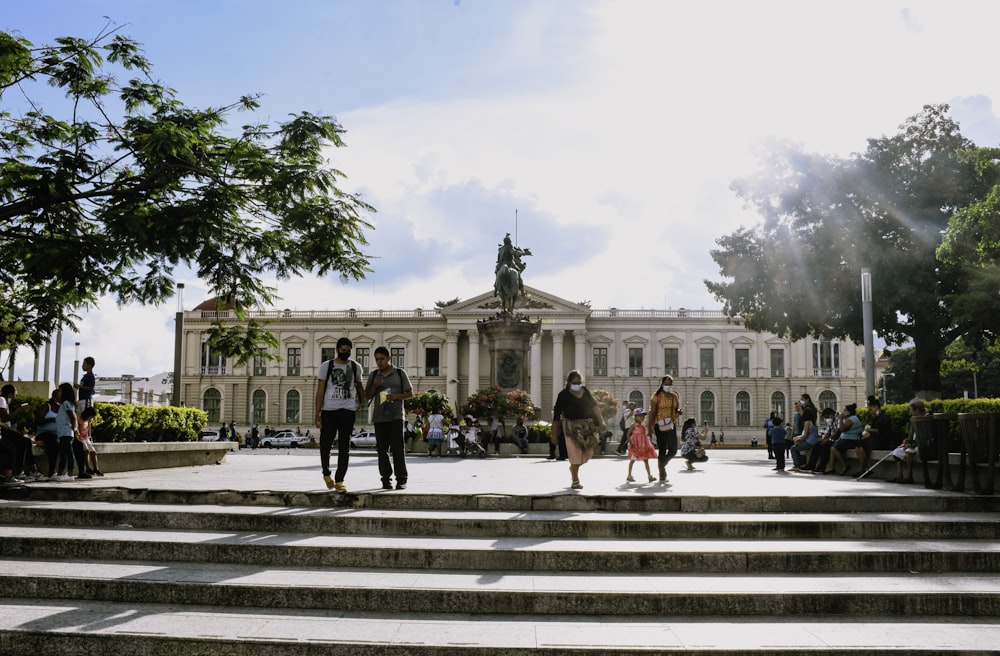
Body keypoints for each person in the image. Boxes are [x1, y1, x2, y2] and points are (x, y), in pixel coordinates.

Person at [314, 337, 366, 493]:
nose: (346, 353)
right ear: (337, 350)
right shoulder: (327, 366)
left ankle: (340, 480)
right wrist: (317, 414)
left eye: (349, 351)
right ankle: (326, 473)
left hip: (348, 411)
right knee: (325, 445)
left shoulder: (356, 367)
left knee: (345, 447)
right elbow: (320, 390)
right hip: (329, 411)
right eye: (343, 350)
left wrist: (362, 400)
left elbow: (359, 385)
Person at [365, 346, 415, 490]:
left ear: (389, 358)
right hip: (379, 417)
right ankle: (385, 478)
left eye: (382, 359)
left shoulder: (399, 373)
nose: (379, 362)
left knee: (398, 448)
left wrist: (395, 397)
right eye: (377, 359)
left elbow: (410, 393)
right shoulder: (374, 375)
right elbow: (367, 396)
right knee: (382, 450)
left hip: (396, 416)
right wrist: (375, 386)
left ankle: (401, 479)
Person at [551, 370, 606, 490]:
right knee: (574, 454)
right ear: (569, 383)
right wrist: (553, 434)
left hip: (587, 427)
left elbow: (594, 406)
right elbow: (556, 415)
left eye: (579, 382)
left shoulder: (585, 391)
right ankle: (575, 480)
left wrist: (601, 421)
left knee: (588, 453)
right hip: (570, 428)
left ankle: (573, 468)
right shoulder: (563, 395)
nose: (577, 384)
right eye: (575, 382)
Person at [0, 383, 40, 482]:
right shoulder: (2, 400)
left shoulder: (4, 402)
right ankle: (22, 471)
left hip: (7, 429)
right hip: (4, 430)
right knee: (23, 442)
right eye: (15, 394)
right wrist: (19, 410)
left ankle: (20, 471)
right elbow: (5, 418)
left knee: (23, 442)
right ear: (10, 394)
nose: (15, 397)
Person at [646, 375, 681, 482]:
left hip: (671, 424)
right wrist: (649, 428)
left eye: (670, 383)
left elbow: (675, 409)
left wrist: (678, 413)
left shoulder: (674, 396)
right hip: (659, 424)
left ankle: (662, 465)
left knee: (673, 449)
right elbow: (652, 413)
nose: (668, 385)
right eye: (666, 383)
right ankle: (662, 474)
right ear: (662, 384)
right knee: (662, 449)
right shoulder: (656, 396)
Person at [888, 398, 925, 484]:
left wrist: (911, 445)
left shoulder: (926, 419)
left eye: (912, 410)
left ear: (917, 410)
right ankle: (899, 476)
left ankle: (909, 476)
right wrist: (907, 442)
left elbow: (923, 437)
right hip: (913, 445)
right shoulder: (914, 419)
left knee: (908, 451)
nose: (911, 412)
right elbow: (911, 436)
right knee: (896, 452)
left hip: (922, 445)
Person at [52, 382, 78, 482]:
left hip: (66, 432)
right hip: (63, 433)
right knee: (63, 454)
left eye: (60, 390)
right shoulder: (64, 404)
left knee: (68, 453)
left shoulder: (67, 403)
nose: (58, 392)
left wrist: (75, 430)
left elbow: (73, 417)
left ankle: (70, 474)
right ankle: (60, 473)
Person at [830, 403, 864, 476]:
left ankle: (845, 465)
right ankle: (832, 466)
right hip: (845, 439)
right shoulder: (849, 418)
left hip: (852, 440)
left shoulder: (852, 419)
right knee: (833, 448)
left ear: (849, 412)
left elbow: (842, 429)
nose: (843, 412)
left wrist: (840, 419)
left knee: (834, 449)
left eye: (845, 410)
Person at [789, 394, 819, 473]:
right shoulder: (812, 422)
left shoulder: (807, 422)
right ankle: (800, 464)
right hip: (813, 440)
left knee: (793, 448)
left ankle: (796, 466)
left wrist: (797, 438)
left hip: (810, 441)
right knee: (798, 446)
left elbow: (804, 435)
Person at [625, 408, 657, 483]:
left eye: (643, 416)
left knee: (646, 460)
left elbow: (644, 435)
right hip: (635, 445)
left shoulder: (643, 425)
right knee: (632, 460)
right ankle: (629, 475)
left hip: (643, 445)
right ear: (635, 416)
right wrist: (630, 442)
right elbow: (628, 434)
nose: (642, 417)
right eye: (640, 416)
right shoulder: (633, 425)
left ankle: (649, 476)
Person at [74, 406, 103, 478]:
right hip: (80, 438)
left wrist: (90, 437)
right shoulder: (78, 419)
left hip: (86, 438)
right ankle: (88, 468)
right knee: (86, 450)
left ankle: (96, 468)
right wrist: (77, 437)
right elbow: (76, 429)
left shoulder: (88, 421)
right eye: (91, 416)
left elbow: (88, 429)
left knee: (93, 451)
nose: (91, 418)